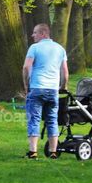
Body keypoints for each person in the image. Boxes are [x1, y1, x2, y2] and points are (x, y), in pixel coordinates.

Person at [23, 23, 68, 160]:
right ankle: (53, 152)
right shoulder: (60, 49)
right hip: (53, 90)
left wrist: (26, 86)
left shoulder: (35, 48)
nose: (33, 35)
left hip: (37, 88)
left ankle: (33, 153)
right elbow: (65, 73)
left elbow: (26, 67)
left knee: (34, 120)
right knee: (52, 120)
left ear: (43, 33)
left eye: (35, 32)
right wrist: (63, 87)